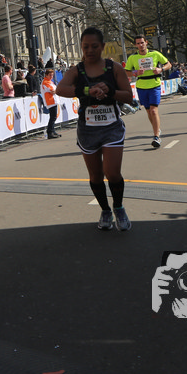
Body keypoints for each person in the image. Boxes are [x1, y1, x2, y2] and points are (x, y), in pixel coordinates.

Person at [55, 27, 135, 231]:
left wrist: (111, 91)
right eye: (85, 47)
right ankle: (105, 210)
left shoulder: (113, 68)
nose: (90, 50)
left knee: (112, 173)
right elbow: (60, 89)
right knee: (96, 176)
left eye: (94, 46)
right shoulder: (77, 70)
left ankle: (119, 208)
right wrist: (86, 90)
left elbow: (128, 96)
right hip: (88, 129)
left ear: (102, 46)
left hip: (111, 127)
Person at [124, 35, 170, 148]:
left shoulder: (155, 54)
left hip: (154, 84)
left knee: (154, 111)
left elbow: (168, 64)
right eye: (138, 43)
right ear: (135, 45)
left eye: (142, 42)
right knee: (149, 112)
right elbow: (126, 72)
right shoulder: (133, 57)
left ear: (146, 43)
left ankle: (156, 136)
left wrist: (161, 69)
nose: (140, 45)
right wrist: (135, 73)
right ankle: (157, 129)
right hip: (141, 86)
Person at [40, 69, 62, 139]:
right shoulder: (45, 82)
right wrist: (57, 91)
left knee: (54, 117)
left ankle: (52, 130)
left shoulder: (50, 82)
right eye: (50, 75)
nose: (51, 76)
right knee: (53, 117)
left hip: (54, 101)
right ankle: (50, 132)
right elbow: (52, 91)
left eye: (52, 75)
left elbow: (55, 90)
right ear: (46, 75)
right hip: (50, 101)